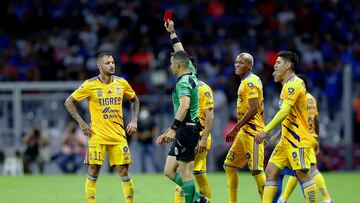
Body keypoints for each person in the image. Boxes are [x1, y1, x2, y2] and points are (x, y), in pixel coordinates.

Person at [64, 52, 139, 203]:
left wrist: (134, 120)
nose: (112, 65)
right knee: (93, 169)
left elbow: (135, 99)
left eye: (112, 62)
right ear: (99, 66)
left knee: (124, 170)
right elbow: (69, 102)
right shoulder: (89, 85)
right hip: (97, 135)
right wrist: (82, 123)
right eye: (108, 63)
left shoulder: (122, 83)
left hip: (118, 136)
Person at [157, 20, 209, 203]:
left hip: (187, 129)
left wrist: (172, 128)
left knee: (186, 174)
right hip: (184, 129)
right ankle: (198, 199)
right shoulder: (191, 72)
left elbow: (184, 105)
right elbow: (182, 54)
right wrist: (172, 33)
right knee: (169, 171)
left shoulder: (184, 83)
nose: (170, 66)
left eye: (172, 63)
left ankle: (194, 200)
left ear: (178, 66)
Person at [255, 51, 317, 203]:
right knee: (270, 171)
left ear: (288, 65)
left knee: (303, 175)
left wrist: (265, 131)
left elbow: (285, 111)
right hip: (285, 140)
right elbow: (290, 116)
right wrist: (278, 134)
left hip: (298, 139)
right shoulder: (286, 86)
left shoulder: (295, 84)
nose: (274, 67)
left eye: (278, 63)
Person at [277, 75, 332, 203]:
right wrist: (316, 138)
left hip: (302, 138)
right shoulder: (312, 99)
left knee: (311, 169)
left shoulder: (299, 98)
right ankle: (283, 198)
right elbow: (316, 120)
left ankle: (327, 199)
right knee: (298, 169)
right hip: (311, 136)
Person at [223, 53, 266, 203]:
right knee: (229, 165)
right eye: (236, 62)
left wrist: (236, 127)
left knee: (256, 170)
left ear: (249, 66)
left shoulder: (250, 82)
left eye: (241, 63)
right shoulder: (246, 81)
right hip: (244, 132)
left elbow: (254, 108)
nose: (237, 65)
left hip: (252, 132)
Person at [137, 106, 161, 173]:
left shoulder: (151, 120)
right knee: (142, 160)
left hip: (149, 143)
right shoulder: (138, 121)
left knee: (154, 159)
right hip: (141, 143)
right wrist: (141, 136)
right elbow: (135, 132)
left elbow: (155, 130)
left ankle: (158, 172)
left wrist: (149, 135)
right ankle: (143, 172)